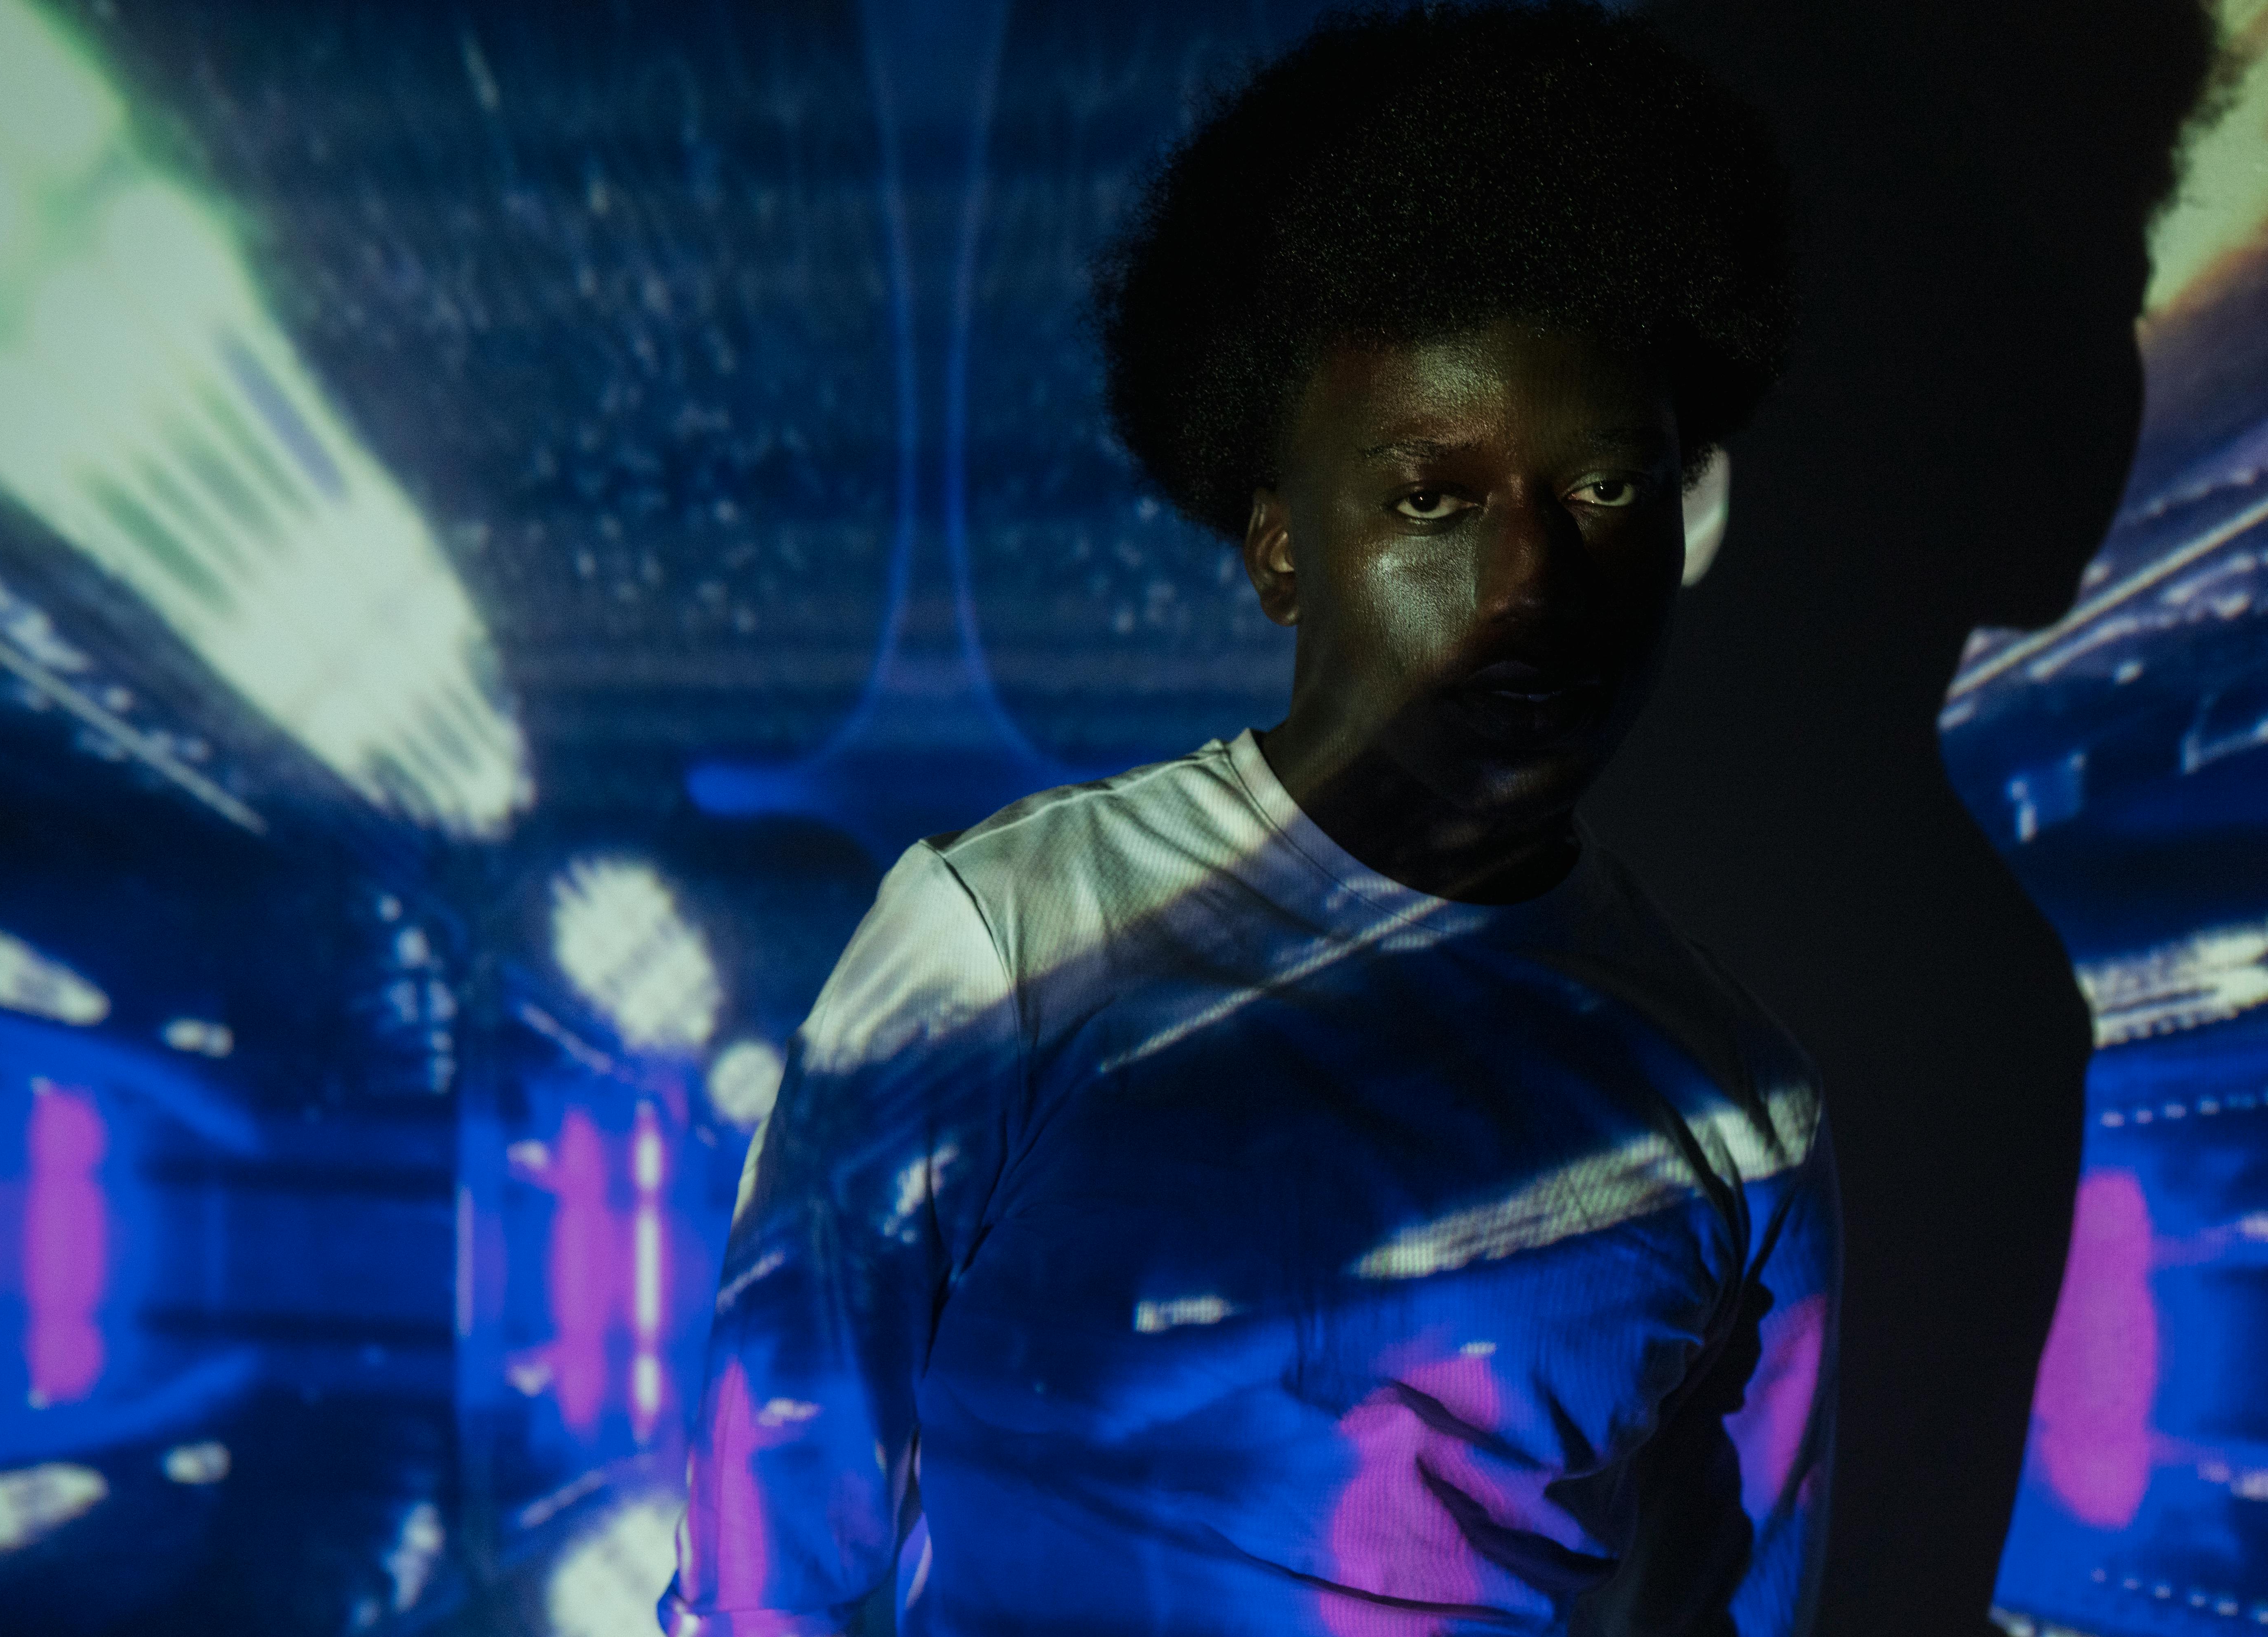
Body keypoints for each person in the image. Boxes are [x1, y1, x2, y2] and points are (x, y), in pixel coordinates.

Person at [664, 5, 1837, 1633]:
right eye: (1432, 498)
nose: (1533, 581)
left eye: (1607, 490)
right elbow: (760, 1576)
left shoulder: (1738, 1102)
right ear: (1282, 547)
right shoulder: (1004, 943)